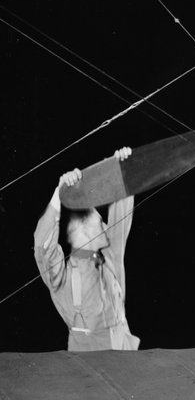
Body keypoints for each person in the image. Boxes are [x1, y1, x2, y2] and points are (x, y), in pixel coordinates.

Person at [34, 147, 140, 352]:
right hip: (88, 366)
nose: (106, 225)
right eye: (100, 221)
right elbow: (42, 245)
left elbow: (121, 210)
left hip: (128, 359)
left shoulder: (111, 255)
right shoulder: (60, 276)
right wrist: (60, 191)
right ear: (77, 230)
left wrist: (119, 167)